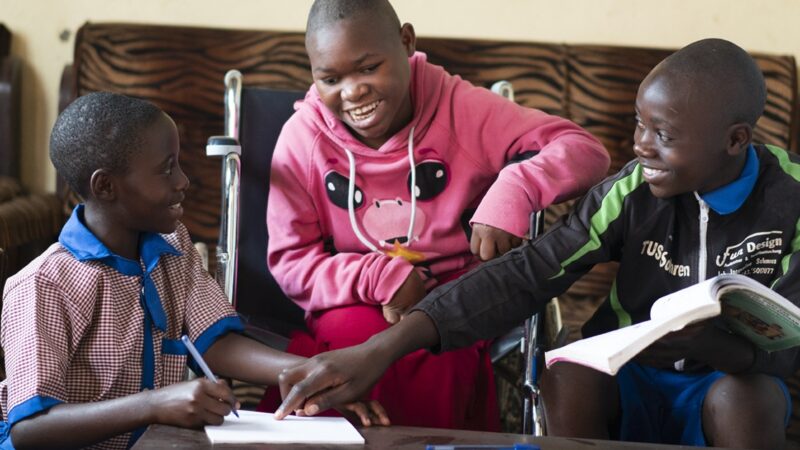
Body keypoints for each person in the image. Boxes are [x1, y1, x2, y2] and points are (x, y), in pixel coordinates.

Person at [273, 38, 800, 449]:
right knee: (568, 374)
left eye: (663, 135)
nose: (641, 147)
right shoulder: (632, 190)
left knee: (741, 398)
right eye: (639, 125)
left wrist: (717, 348)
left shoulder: (790, 201)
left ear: (735, 140)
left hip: (730, 382)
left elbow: (789, 341)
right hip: (635, 374)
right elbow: (528, 273)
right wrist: (380, 349)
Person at [261, 0, 609, 430]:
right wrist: (377, 276)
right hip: (353, 297)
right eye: (331, 79)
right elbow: (292, 264)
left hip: (455, 301)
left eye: (369, 68)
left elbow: (585, 151)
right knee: (346, 348)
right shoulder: (303, 139)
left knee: (437, 345)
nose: (352, 92)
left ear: (406, 41)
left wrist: (515, 188)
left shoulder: (461, 109)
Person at [0, 92, 387, 450]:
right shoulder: (43, 285)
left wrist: (317, 374)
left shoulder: (172, 245)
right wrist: (153, 405)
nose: (183, 181)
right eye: (167, 169)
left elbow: (215, 342)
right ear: (105, 187)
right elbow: (30, 429)